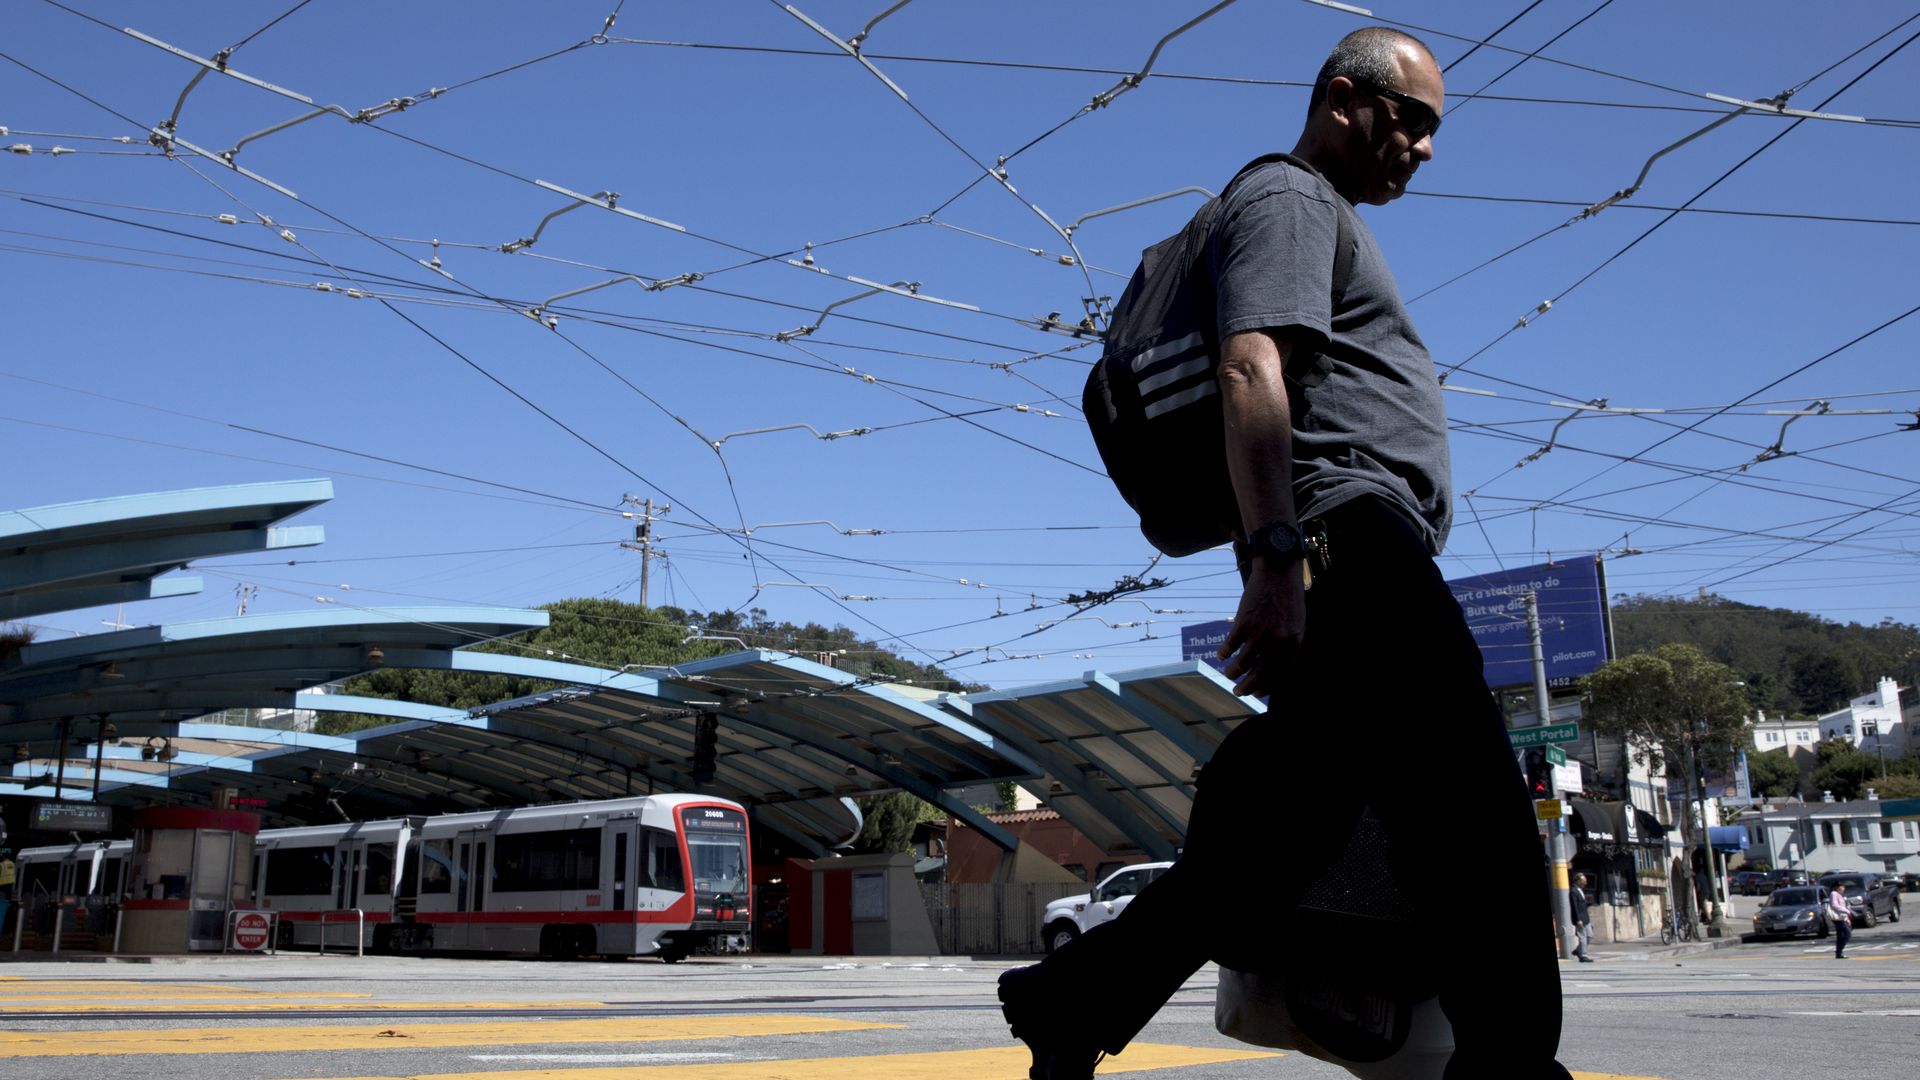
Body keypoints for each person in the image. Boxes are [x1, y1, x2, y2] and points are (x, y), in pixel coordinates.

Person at [997, 26, 1571, 1080]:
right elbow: (1251, 365)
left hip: (1330, 544)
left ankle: (1077, 999)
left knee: (1274, 832)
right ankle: (1514, 1068)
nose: (1427, 148)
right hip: (1349, 539)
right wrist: (1276, 555)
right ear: (1347, 99)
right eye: (1416, 120)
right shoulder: (1289, 199)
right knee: (1480, 829)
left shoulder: (1304, 210)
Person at [1571, 873, 1593, 962]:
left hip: (1586, 918)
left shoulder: (1580, 890)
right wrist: (1578, 919)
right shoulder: (1573, 891)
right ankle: (1583, 955)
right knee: (1582, 937)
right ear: (1578, 881)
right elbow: (1574, 906)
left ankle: (1577, 951)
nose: (1585, 882)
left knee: (1589, 936)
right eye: (1583, 880)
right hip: (1580, 919)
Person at [1828, 882, 1852, 959]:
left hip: (1842, 918)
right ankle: (1839, 951)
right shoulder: (1834, 893)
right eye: (1842, 887)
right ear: (1837, 887)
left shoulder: (1840, 895)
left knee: (1841, 935)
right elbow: (1834, 905)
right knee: (1847, 934)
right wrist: (1847, 911)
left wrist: (1847, 919)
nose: (1843, 888)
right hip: (1838, 918)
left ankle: (1839, 953)